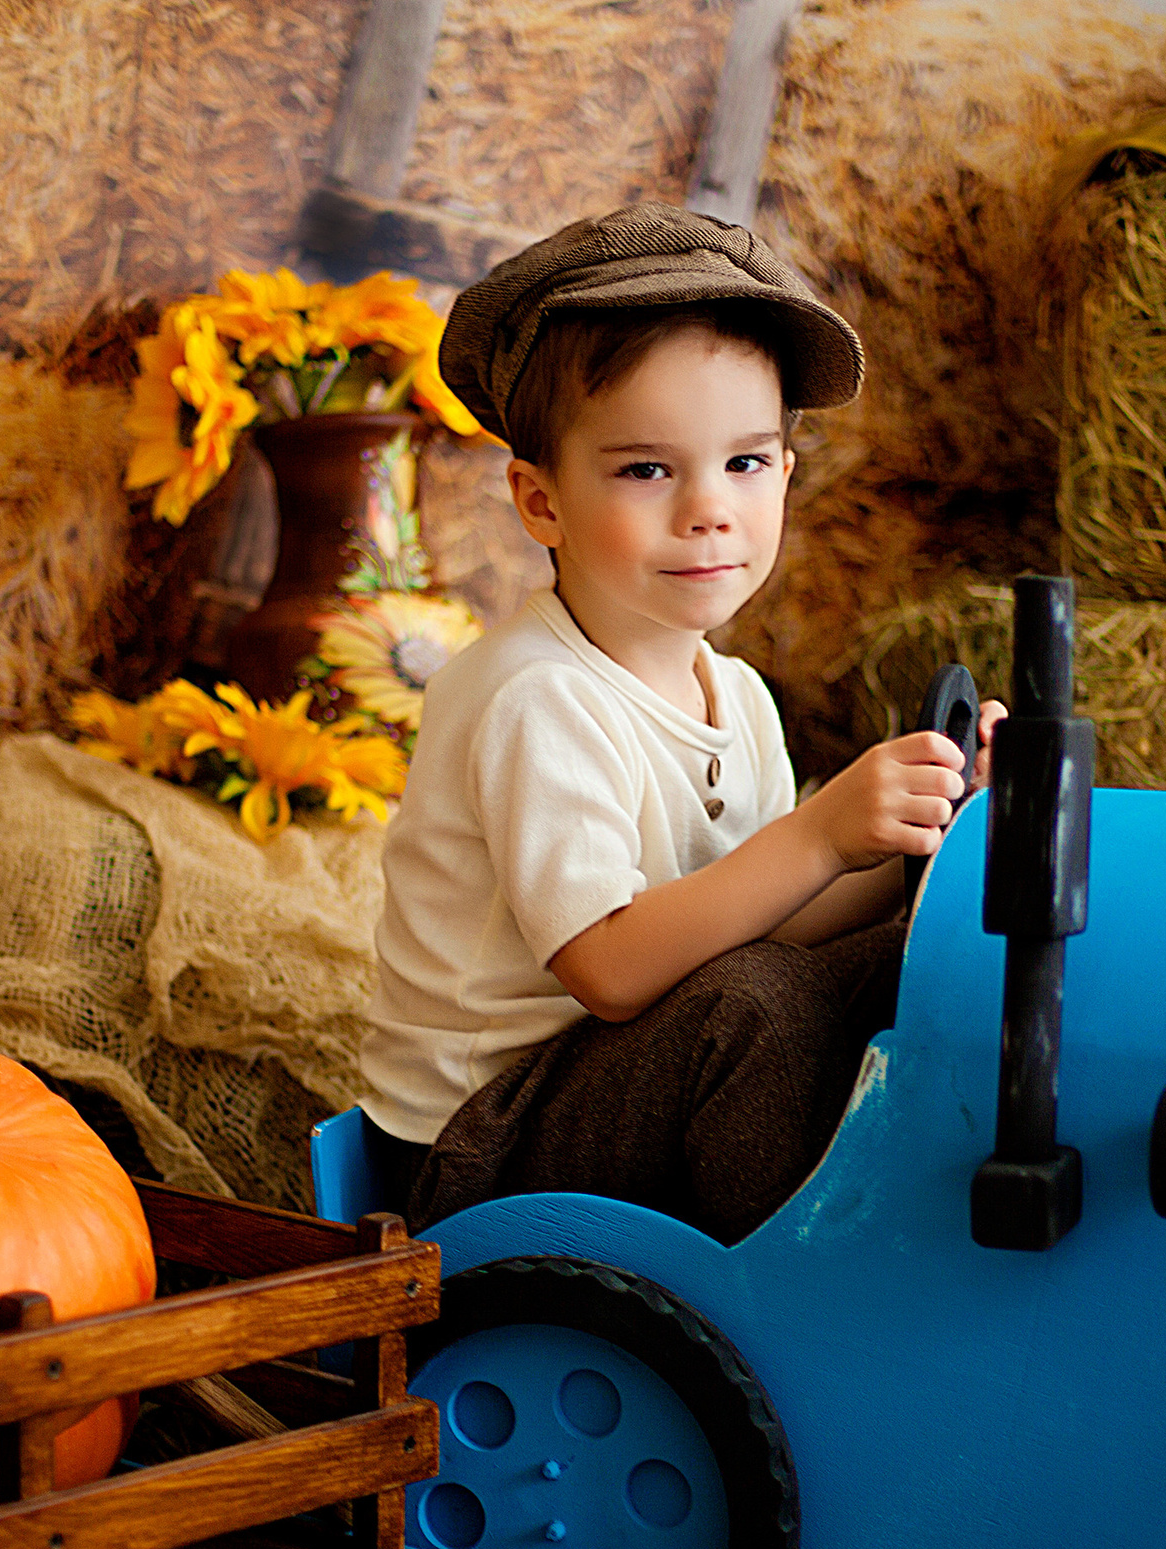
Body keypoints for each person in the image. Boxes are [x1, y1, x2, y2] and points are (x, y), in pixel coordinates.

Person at [359, 202, 1002, 1242]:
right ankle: (795, 1286)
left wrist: (919, 845)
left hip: (637, 1086)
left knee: (900, 961)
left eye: (745, 463)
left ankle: (908, 1229)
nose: (709, 508)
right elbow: (612, 968)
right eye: (646, 469)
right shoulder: (535, 696)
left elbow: (768, 916)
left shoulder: (733, 695)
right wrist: (817, 832)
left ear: (787, 474)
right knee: (756, 1010)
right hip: (481, 1151)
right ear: (540, 502)